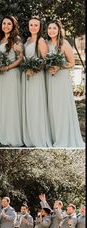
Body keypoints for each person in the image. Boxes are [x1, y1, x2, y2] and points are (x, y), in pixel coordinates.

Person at [46, 19, 84, 147]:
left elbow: (72, 63)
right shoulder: (46, 43)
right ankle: (53, 135)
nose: (51, 30)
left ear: (58, 30)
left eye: (54, 28)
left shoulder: (64, 43)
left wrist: (59, 66)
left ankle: (64, 137)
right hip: (49, 79)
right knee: (51, 107)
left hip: (61, 79)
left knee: (61, 107)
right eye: (49, 28)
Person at [22, 16, 51, 147]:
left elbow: (45, 61)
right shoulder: (27, 40)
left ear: (40, 27)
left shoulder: (41, 41)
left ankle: (38, 136)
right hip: (26, 76)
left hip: (36, 76)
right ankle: (28, 135)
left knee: (36, 105)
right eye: (31, 25)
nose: (33, 27)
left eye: (36, 25)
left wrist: (34, 70)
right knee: (28, 104)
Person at [0, 16, 23, 146]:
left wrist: (7, 67)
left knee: (11, 104)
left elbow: (20, 58)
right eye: (4, 23)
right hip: (1, 76)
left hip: (11, 74)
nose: (6, 26)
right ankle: (2, 134)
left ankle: (12, 135)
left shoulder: (15, 40)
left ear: (13, 26)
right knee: (3, 104)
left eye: (9, 24)